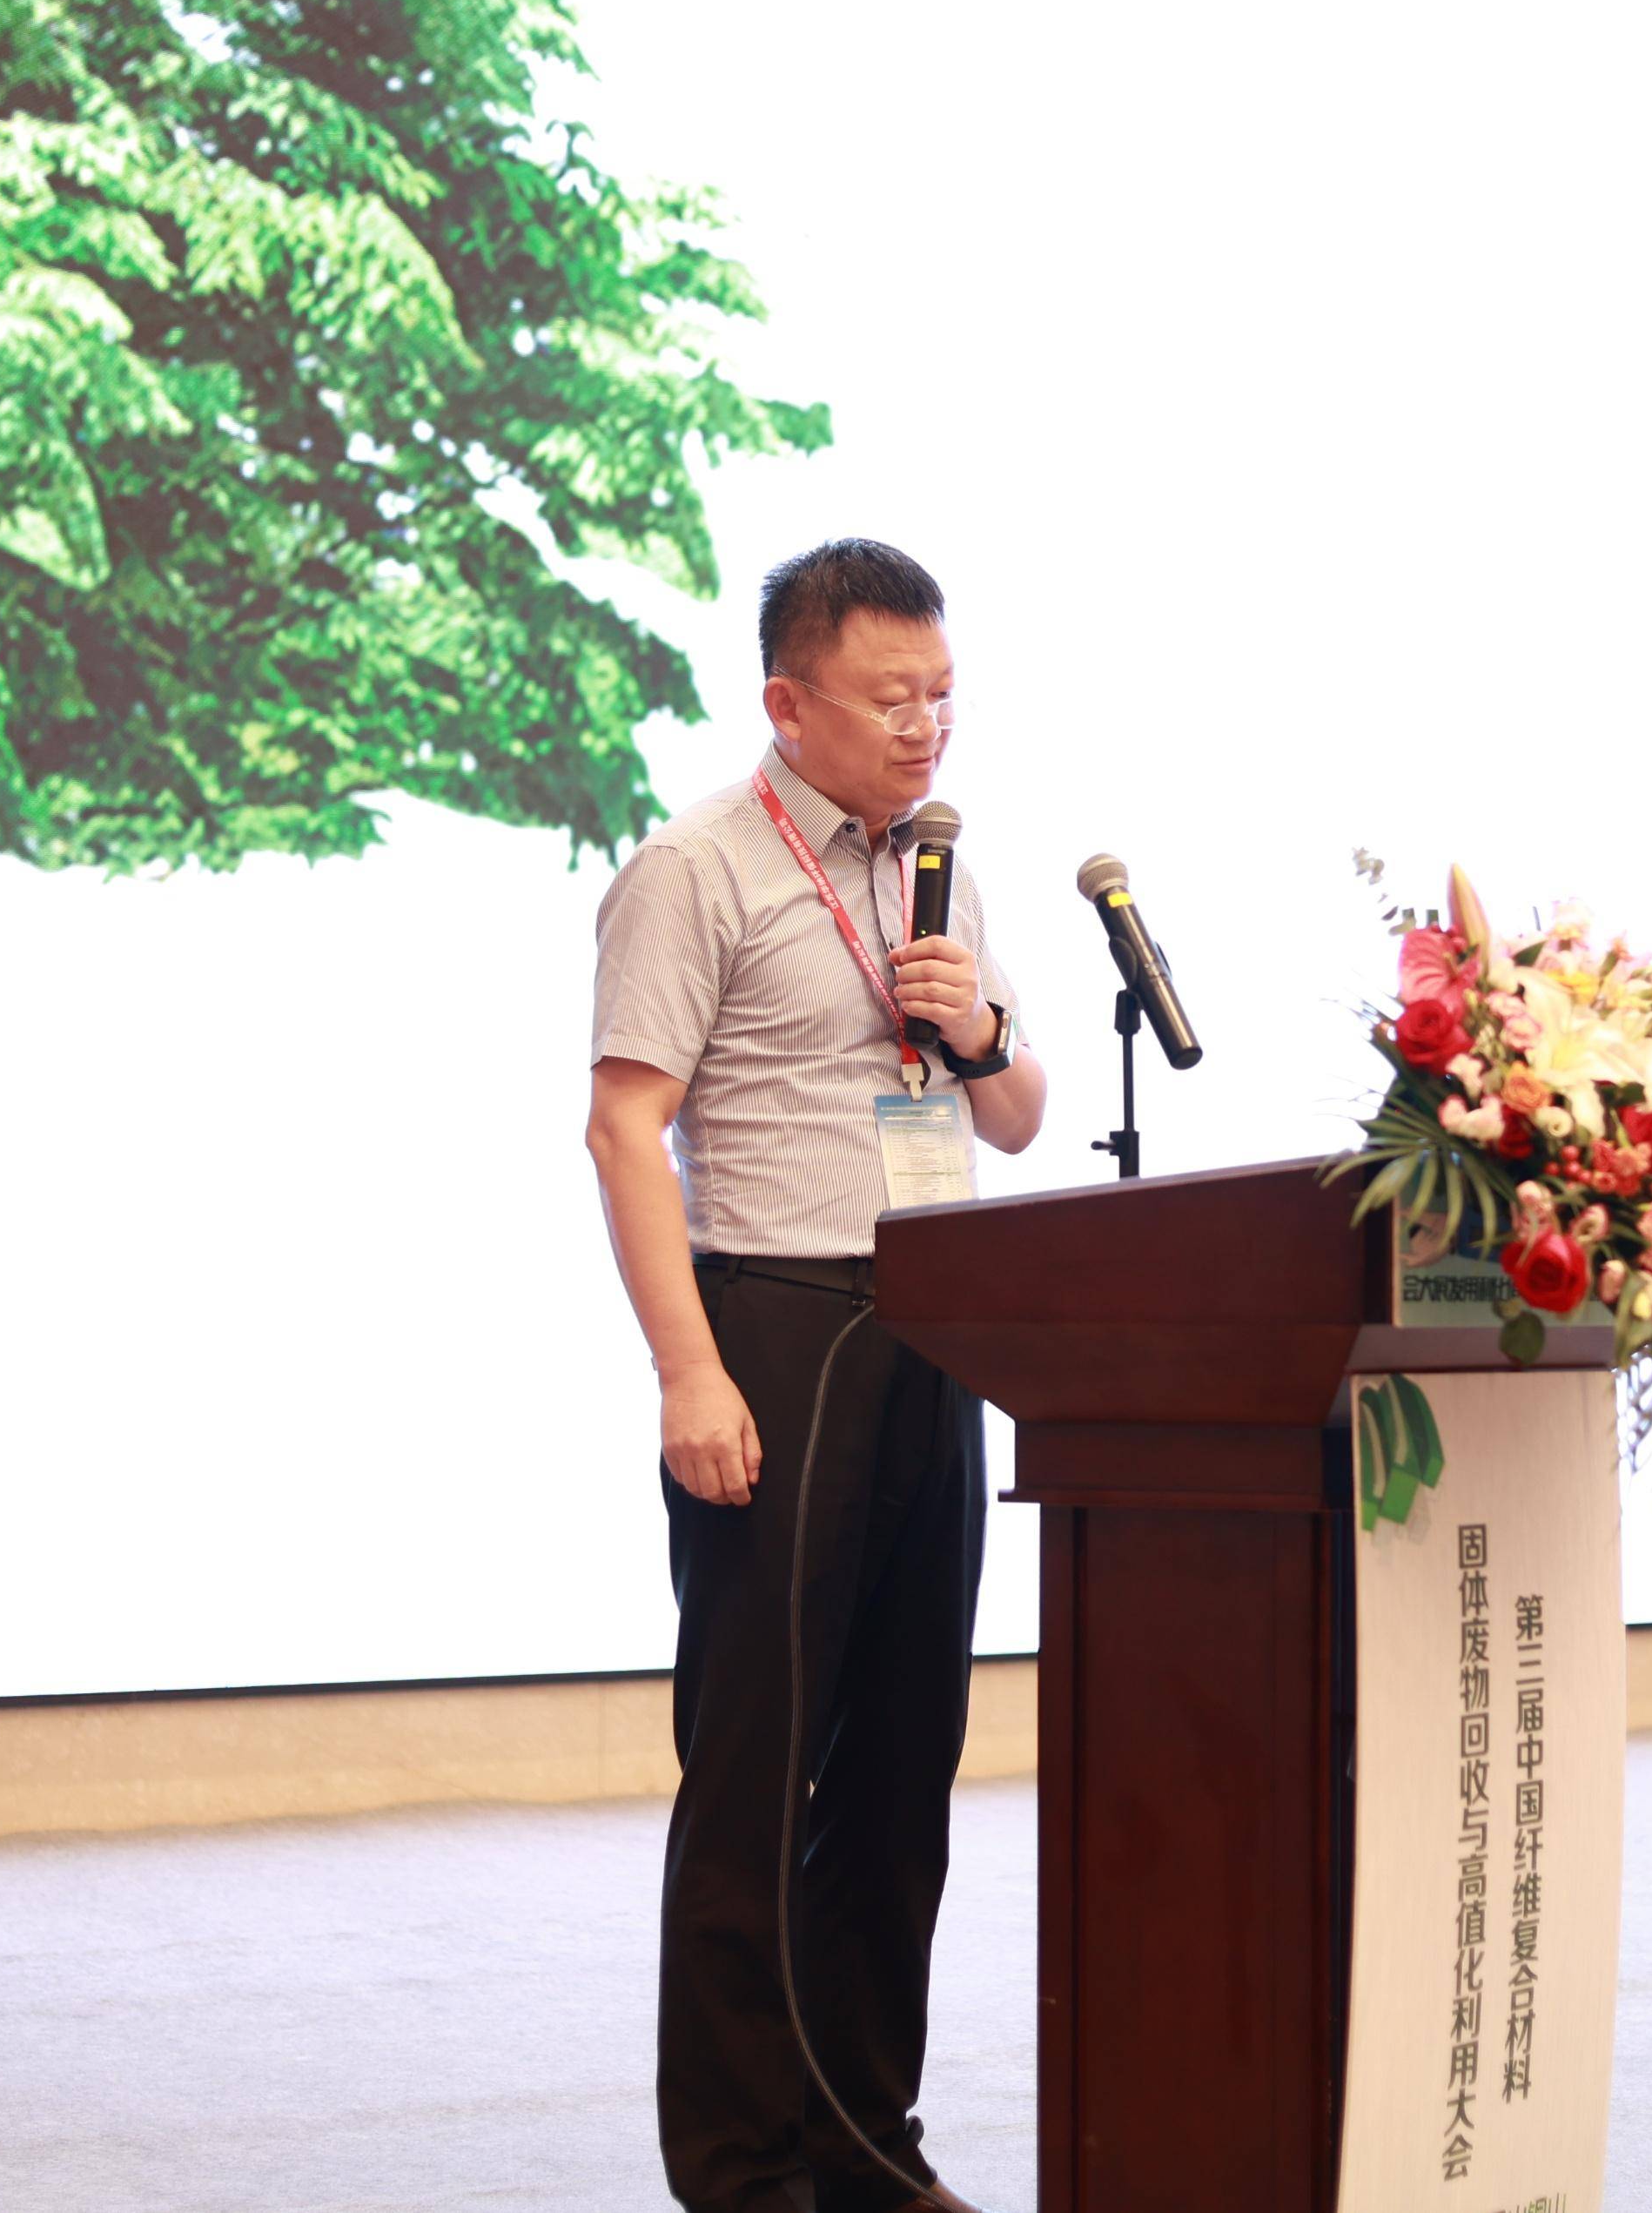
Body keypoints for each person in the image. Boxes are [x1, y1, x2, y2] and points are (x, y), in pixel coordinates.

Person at [587, 538, 1045, 2213]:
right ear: (788, 703)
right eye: (889, 698)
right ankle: (738, 2170)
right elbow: (622, 1130)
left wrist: (978, 1030)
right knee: (757, 1769)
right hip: (773, 1326)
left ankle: (865, 2143)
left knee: (902, 1766)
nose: (926, 727)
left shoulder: (939, 874)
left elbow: (1015, 1119)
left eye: (942, 694)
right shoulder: (692, 867)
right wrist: (688, 1375)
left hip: (934, 1332)